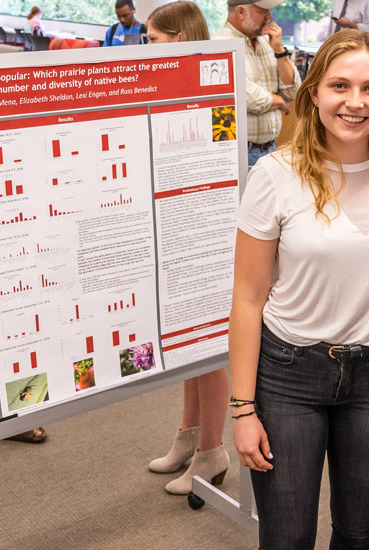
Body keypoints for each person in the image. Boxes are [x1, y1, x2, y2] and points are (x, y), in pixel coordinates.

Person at [229, 29, 369, 549]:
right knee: (287, 537)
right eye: (340, 85)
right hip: (289, 373)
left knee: (359, 535)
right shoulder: (275, 174)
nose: (355, 102)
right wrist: (243, 409)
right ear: (313, 91)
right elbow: (248, 298)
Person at [143, 1, 231, 496]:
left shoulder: (212, 80)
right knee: (186, 341)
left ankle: (211, 452)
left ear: (178, 37)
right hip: (175, 219)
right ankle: (189, 438)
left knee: (210, 344)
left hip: (204, 223)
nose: (147, 47)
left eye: (153, 39)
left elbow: (217, 150)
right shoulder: (167, 82)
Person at [213, 0, 300, 167]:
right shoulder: (219, 43)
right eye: (262, 11)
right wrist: (279, 101)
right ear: (240, 12)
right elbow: (245, 96)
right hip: (239, 153)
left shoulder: (267, 42)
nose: (270, 16)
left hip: (270, 148)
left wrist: (280, 51)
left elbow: (292, 91)